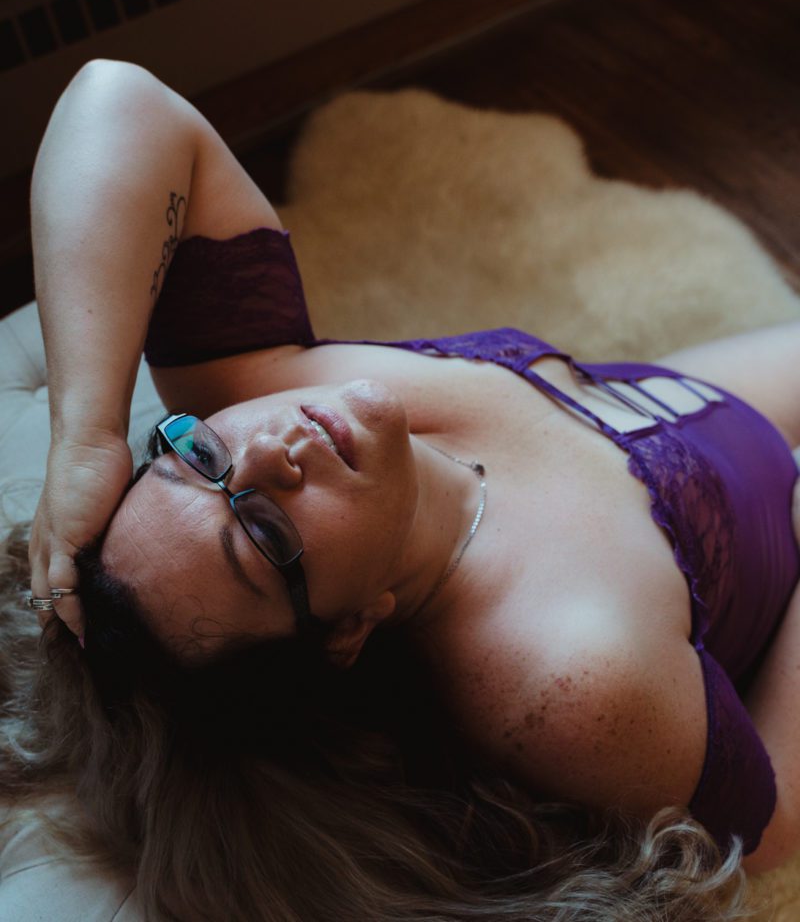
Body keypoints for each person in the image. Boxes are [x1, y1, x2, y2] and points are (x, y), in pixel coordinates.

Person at [3, 57, 800, 921]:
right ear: (349, 628)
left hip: (657, 410)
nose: (270, 452)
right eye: (267, 536)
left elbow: (120, 96)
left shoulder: (254, 389)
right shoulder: (568, 680)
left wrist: (84, 439)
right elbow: (770, 823)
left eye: (192, 460)